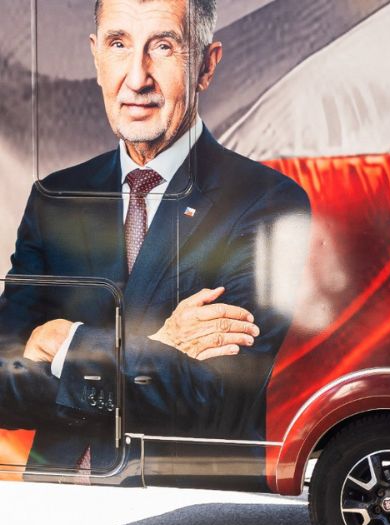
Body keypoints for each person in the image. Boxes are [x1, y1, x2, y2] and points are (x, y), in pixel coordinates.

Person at [0, 0, 310, 474]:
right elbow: (4, 384)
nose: (137, 78)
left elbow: (212, 396)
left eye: (163, 47)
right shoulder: (55, 197)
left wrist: (62, 342)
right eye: (119, 44)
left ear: (207, 66)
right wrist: (159, 346)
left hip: (180, 516)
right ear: (96, 57)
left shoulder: (267, 205)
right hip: (54, 501)